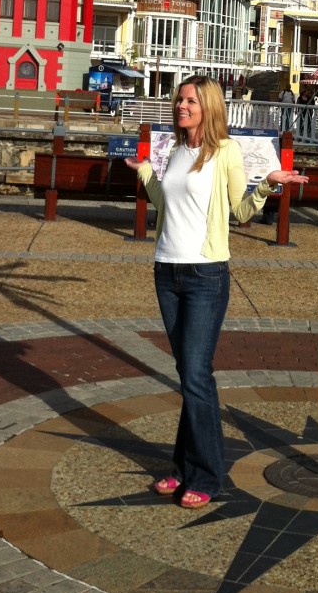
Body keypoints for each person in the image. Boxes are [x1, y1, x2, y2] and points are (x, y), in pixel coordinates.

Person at [126, 75, 306, 507]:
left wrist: (267, 184)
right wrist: (148, 172)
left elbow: (240, 210)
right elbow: (166, 206)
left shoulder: (225, 152)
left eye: (189, 101)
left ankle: (206, 475)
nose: (180, 106)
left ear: (208, 107)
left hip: (206, 275)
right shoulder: (176, 150)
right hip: (166, 272)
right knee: (189, 376)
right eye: (179, 100)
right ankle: (183, 467)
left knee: (196, 376)